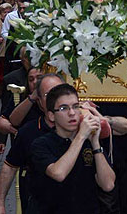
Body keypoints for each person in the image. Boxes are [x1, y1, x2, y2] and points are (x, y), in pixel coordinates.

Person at [30, 83, 116, 214]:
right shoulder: (41, 144)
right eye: (64, 108)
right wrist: (81, 136)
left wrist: (95, 144)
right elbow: (58, 173)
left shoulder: (88, 142)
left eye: (76, 107)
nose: (72, 113)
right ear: (51, 115)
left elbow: (108, 185)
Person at [0, 74, 65, 214]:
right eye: (47, 95)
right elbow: (10, 166)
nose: (54, 99)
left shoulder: (80, 127)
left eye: (59, 92)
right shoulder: (28, 132)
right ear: (39, 101)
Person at [2, 0, 30, 74]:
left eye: (25, 1)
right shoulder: (11, 16)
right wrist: (15, 38)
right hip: (14, 49)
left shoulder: (33, 15)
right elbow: (4, 32)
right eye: (21, 1)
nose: (23, 4)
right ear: (17, 2)